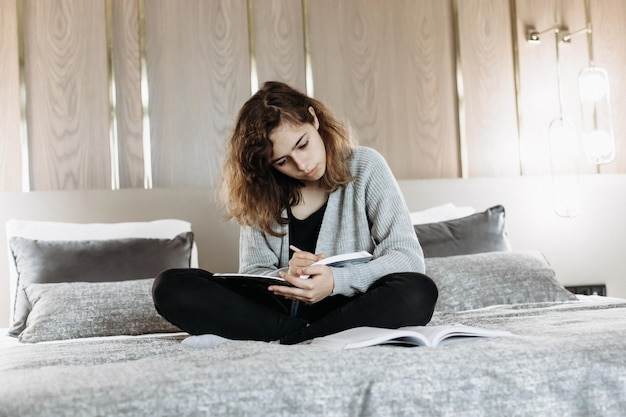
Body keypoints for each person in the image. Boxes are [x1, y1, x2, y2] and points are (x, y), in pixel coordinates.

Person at [152, 81, 438, 345]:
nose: (301, 165)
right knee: (170, 286)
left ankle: (294, 338)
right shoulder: (261, 191)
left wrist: (336, 281)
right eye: (282, 160)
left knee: (418, 291)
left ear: (314, 119)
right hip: (283, 308)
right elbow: (253, 275)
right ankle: (307, 335)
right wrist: (291, 274)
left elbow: (407, 257)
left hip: (351, 303)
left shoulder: (366, 166)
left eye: (303, 144)